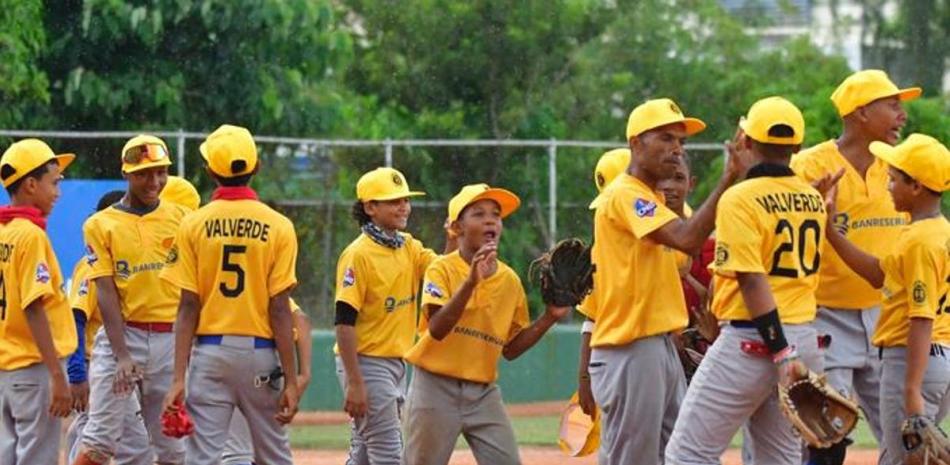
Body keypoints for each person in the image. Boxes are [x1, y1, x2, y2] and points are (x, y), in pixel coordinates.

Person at [665, 96, 831, 465]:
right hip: (804, 339)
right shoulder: (813, 199)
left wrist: (779, 351)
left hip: (754, 339)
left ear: (746, 143)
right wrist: (790, 351)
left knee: (686, 455)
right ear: (797, 148)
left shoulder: (739, 198)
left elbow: (752, 279)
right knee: (779, 459)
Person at [588, 98, 746, 465]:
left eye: (681, 142)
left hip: (660, 346)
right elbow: (688, 239)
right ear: (635, 143)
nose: (676, 149)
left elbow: (684, 252)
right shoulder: (626, 193)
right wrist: (727, 179)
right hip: (631, 347)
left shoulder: (651, 200)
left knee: (677, 455)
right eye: (665, 138)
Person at [790, 69, 920, 463]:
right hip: (827, 316)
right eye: (892, 105)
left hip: (888, 316)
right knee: (828, 435)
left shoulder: (899, 167)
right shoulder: (809, 166)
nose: (902, 114)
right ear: (861, 113)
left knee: (906, 434)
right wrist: (808, 212)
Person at [160, 124, 299, 465]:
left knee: (202, 456)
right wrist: (292, 380)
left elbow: (187, 306)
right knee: (274, 455)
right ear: (257, 167)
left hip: (210, 353)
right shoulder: (279, 225)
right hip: (261, 354)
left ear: (209, 171)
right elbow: (280, 309)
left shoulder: (193, 224)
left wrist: (179, 377)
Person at [402, 183, 570, 465]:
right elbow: (437, 329)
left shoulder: (509, 280)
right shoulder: (441, 268)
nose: (490, 219)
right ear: (457, 228)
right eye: (478, 214)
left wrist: (549, 317)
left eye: (496, 214)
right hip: (434, 387)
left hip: (483, 393)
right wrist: (471, 283)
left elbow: (511, 349)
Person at [822, 134, 950, 465]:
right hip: (940, 358)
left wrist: (911, 390)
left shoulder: (920, 241)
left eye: (894, 180)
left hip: (912, 358)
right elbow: (879, 275)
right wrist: (831, 232)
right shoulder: (938, 232)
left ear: (917, 187)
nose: (888, 186)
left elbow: (921, 318)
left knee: (899, 461)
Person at [73, 135, 189, 465]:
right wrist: (122, 355)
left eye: (160, 172)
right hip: (123, 336)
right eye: (143, 174)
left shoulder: (182, 218)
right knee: (99, 442)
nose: (154, 181)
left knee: (172, 445)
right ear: (126, 173)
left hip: (170, 338)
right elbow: (105, 291)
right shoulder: (100, 224)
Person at [334, 167, 451, 465]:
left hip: (394, 363)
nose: (404, 206)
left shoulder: (408, 246)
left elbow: (444, 271)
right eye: (393, 200)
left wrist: (453, 237)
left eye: (406, 200)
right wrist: (355, 381)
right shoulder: (357, 254)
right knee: (388, 453)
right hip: (366, 363)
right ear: (370, 207)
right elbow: (344, 323)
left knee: (363, 452)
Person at [0, 139, 77, 465]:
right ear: (31, 184)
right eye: (54, 181)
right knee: (37, 459)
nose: (58, 191)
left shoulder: (4, 232)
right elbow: (34, 307)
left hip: (6, 366)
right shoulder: (30, 235)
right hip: (33, 367)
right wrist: (57, 376)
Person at [64, 189, 151, 465]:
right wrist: (77, 372)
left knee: (135, 446)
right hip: (94, 367)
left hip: (116, 367)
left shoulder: (122, 265)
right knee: (94, 439)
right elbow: (76, 317)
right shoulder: (90, 267)